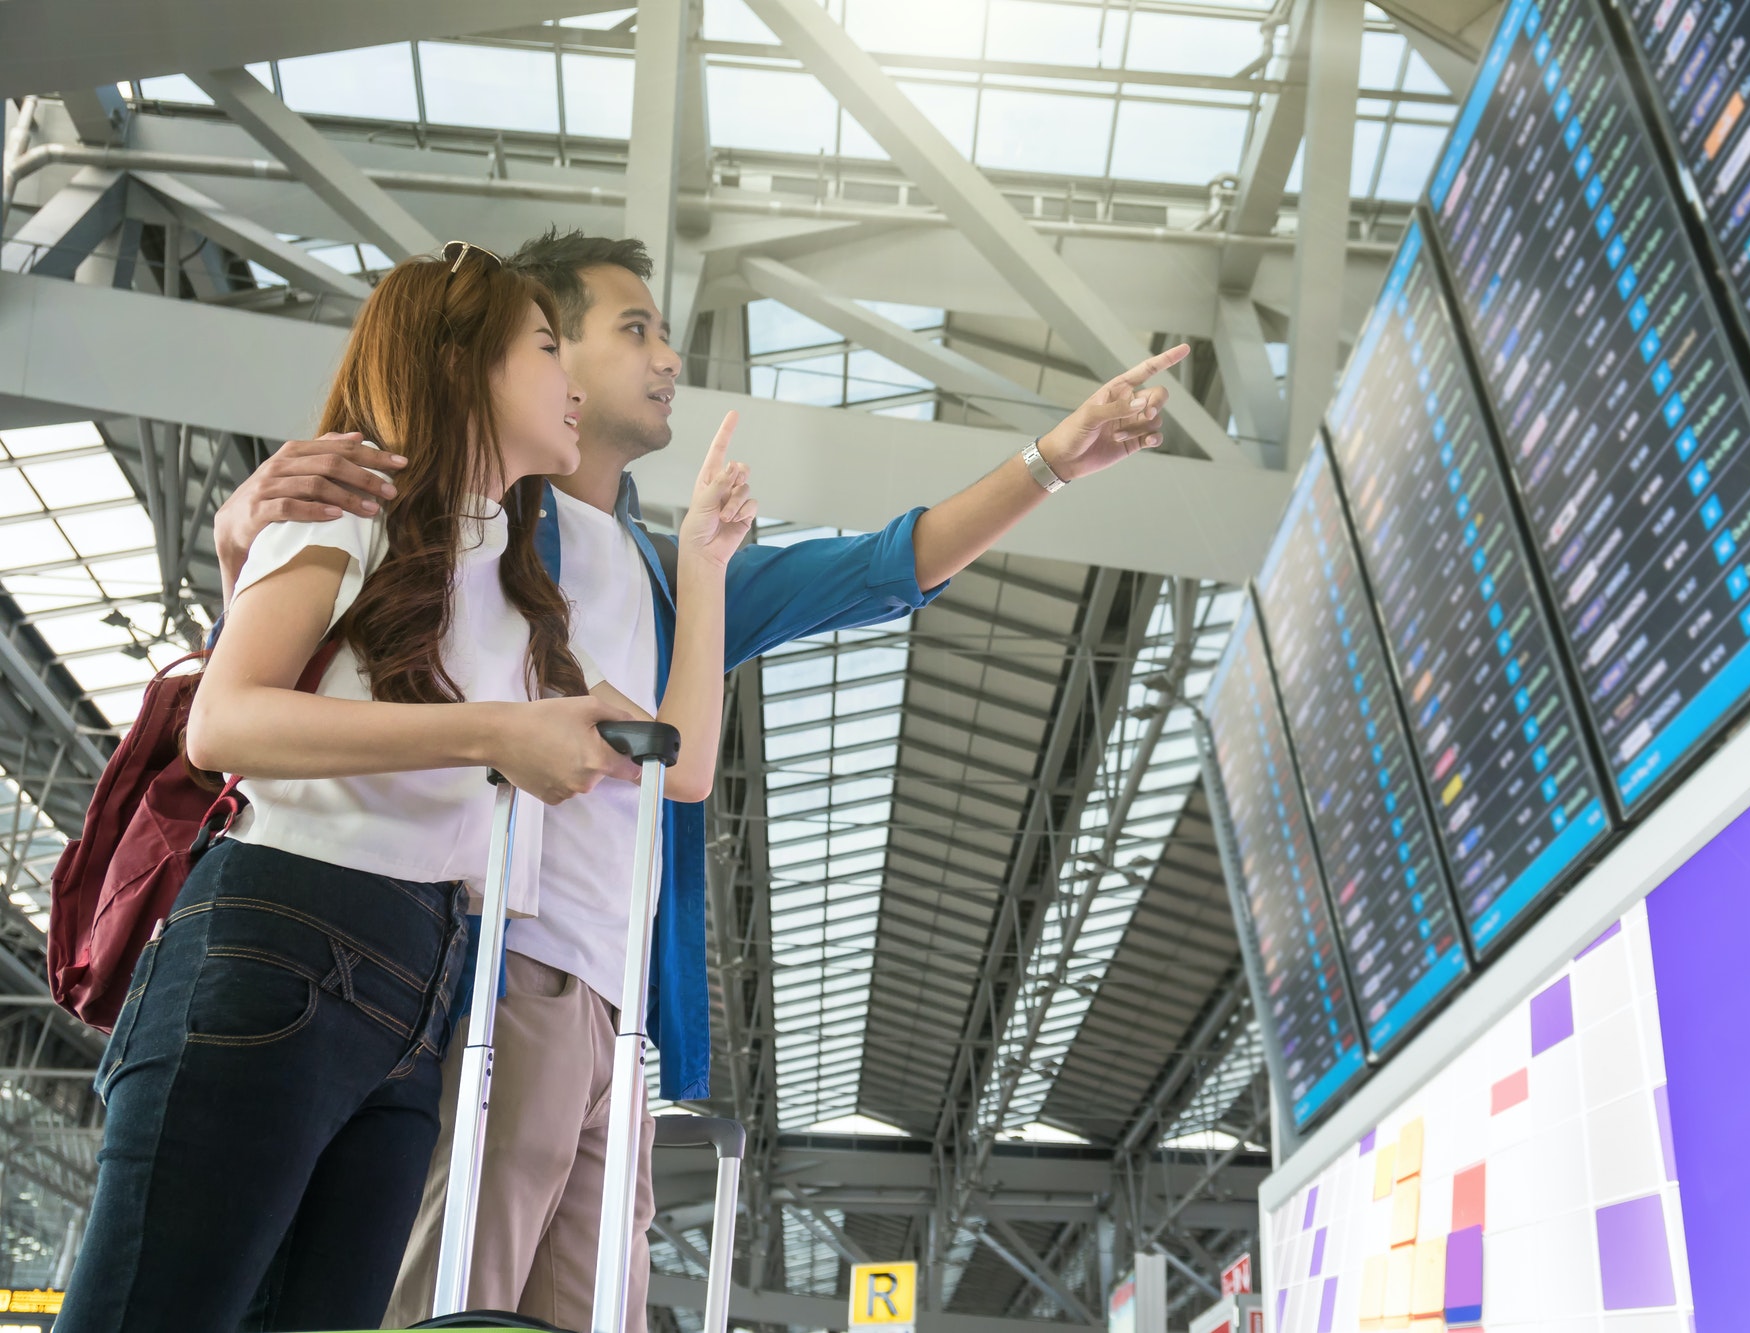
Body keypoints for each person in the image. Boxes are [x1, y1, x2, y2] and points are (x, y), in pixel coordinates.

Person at [212, 227, 1188, 1331]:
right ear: (538, 353)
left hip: (616, 1005)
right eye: (633, 330)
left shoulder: (665, 577)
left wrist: (1050, 460)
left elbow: (876, 570)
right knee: (445, 1299)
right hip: (490, 965)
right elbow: (305, 659)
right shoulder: (467, 523)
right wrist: (241, 541)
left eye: (667, 332)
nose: (668, 357)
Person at [57, 242, 754, 1333]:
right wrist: (493, 729)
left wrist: (704, 565)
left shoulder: (523, 595)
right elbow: (224, 721)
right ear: (459, 360)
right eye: (541, 349)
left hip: (420, 999)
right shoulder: (350, 498)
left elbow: (680, 759)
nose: (571, 380)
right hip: (280, 929)